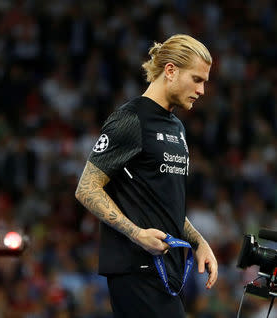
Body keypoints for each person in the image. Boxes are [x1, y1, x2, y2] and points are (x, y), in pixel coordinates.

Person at [75, 34, 218, 317]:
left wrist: (198, 241)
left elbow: (164, 203)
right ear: (170, 70)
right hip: (136, 269)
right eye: (197, 79)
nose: (202, 91)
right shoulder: (130, 120)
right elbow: (87, 188)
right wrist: (137, 234)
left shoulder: (177, 127)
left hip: (166, 272)